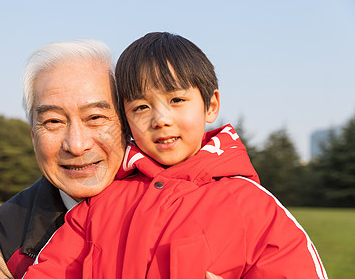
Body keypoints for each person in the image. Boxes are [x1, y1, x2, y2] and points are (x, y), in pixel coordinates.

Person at [23, 32, 328, 278]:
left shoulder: (254, 208)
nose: (160, 119)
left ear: (211, 105)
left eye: (177, 99)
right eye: (141, 107)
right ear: (126, 119)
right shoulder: (100, 204)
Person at [0, 39, 127, 278]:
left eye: (95, 117)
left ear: (127, 125)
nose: (76, 145)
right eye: (53, 121)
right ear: (33, 134)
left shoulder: (184, 203)